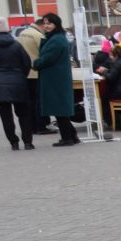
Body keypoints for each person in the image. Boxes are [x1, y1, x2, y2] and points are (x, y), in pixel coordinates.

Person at [0, 23, 34, 150]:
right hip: (18, 82)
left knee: (6, 116)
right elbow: (26, 63)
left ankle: (13, 142)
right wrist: (21, 75)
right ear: (8, 29)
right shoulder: (17, 45)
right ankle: (28, 142)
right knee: (24, 114)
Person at [33, 13, 79, 146]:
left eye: (49, 23)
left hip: (55, 79)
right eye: (45, 23)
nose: (46, 26)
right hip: (55, 78)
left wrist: (36, 63)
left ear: (56, 24)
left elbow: (48, 58)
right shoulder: (55, 37)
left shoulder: (57, 40)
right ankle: (72, 136)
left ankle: (67, 138)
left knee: (60, 109)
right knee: (60, 109)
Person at [16, 16, 50, 135]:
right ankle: (41, 126)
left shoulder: (22, 33)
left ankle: (31, 127)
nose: (46, 30)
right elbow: (45, 54)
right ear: (41, 25)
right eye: (45, 28)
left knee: (28, 101)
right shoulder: (39, 36)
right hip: (36, 72)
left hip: (24, 73)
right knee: (38, 102)